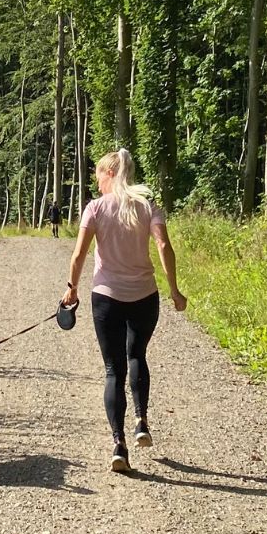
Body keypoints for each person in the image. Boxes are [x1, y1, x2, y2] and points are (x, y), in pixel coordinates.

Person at [61, 148, 186, 473]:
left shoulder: (95, 208)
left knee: (113, 370)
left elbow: (78, 256)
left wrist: (71, 289)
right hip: (144, 296)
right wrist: (174, 289)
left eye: (99, 174)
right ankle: (141, 421)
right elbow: (163, 246)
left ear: (111, 174)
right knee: (136, 357)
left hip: (106, 298)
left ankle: (119, 444)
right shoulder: (147, 206)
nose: (97, 180)